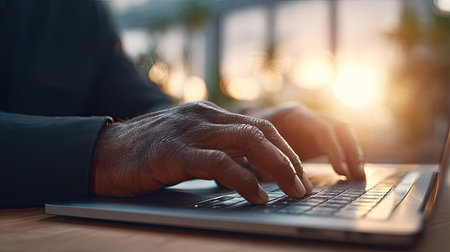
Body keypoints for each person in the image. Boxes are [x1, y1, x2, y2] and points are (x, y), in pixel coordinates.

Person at [0, 0, 365, 208]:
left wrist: (239, 128)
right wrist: (100, 152)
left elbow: (148, 109)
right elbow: (126, 142)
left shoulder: (80, 12)